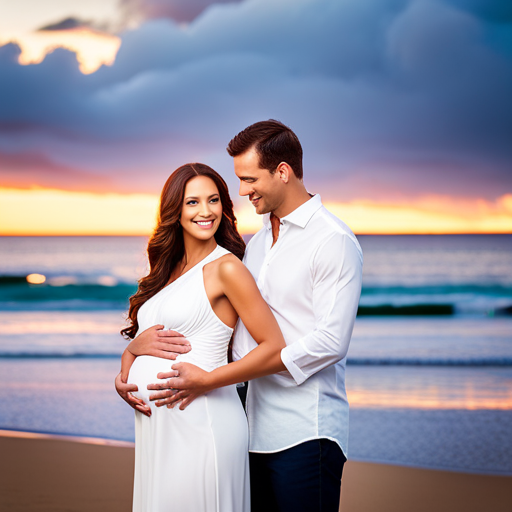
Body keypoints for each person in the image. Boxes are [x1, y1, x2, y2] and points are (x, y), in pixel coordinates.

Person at [145, 120, 364, 512]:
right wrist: (140, 351)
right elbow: (223, 325)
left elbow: (331, 342)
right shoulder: (259, 241)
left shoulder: (333, 240)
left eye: (249, 179)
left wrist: (221, 376)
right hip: (248, 428)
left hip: (305, 432)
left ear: (282, 172)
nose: (242, 191)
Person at [115, 162, 287, 512]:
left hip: (204, 421)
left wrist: (206, 381)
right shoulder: (167, 270)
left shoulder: (227, 268)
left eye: (213, 200)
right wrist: (129, 360)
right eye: (192, 202)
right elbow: (152, 336)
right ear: (174, 210)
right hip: (159, 428)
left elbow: (274, 348)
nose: (205, 211)